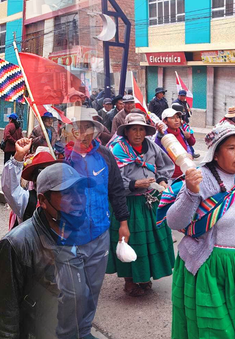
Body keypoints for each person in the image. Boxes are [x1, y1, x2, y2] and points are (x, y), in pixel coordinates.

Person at [159, 123, 235, 339]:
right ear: (216, 153)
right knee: (217, 330)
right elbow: (174, 222)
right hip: (212, 267)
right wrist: (190, 192)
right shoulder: (200, 178)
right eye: (231, 148)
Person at [0, 163, 97, 339]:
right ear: (42, 201)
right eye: (67, 194)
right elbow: (2, 318)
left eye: (80, 192)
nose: (79, 200)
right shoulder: (16, 244)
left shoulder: (84, 233)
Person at [59, 106, 130, 338]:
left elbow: (117, 190)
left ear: (94, 130)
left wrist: (123, 222)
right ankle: (67, 333)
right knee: (71, 293)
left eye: (87, 126)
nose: (82, 132)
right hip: (68, 237)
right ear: (70, 130)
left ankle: (84, 330)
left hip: (100, 234)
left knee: (92, 290)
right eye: (77, 127)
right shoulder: (61, 158)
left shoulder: (105, 155)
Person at [107, 113, 175, 296]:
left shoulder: (152, 147)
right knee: (132, 241)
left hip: (150, 201)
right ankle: (129, 280)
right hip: (128, 203)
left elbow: (164, 166)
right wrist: (133, 184)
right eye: (134, 129)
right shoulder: (117, 151)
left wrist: (161, 180)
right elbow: (111, 179)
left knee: (149, 242)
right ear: (126, 131)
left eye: (141, 129)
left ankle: (144, 276)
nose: (138, 133)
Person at [2, 137, 61, 227]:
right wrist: (19, 155)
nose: (46, 175)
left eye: (50, 170)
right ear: (34, 178)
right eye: (41, 171)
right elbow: (10, 188)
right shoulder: (27, 200)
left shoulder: (64, 197)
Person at [156, 108, 196, 179]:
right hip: (170, 175)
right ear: (165, 121)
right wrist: (159, 135)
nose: (177, 120)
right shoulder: (162, 134)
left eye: (177, 117)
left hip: (183, 172)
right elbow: (156, 149)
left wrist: (189, 153)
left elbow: (187, 145)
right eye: (172, 118)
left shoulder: (181, 131)